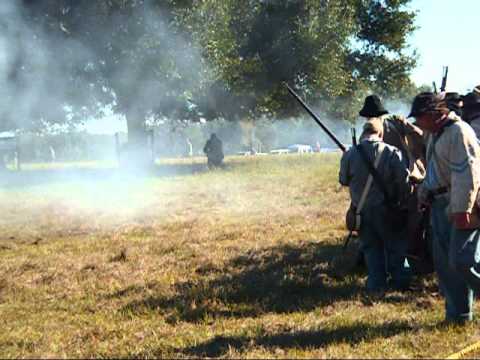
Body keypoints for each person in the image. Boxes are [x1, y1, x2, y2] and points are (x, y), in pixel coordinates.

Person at [411, 92, 480, 323]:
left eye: (420, 117)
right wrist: (424, 193)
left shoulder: (459, 132)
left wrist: (462, 210)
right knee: (445, 266)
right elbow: (433, 170)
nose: (417, 123)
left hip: (459, 205)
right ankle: (459, 315)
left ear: (433, 114)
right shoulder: (437, 134)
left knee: (462, 260)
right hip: (439, 204)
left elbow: (467, 174)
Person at [359, 95, 431, 273]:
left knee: (397, 223)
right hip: (407, 179)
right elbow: (418, 135)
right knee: (410, 220)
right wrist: (416, 158)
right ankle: (411, 257)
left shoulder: (367, 131)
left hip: (384, 185)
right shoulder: (397, 121)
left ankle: (406, 261)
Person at [339, 118, 411, 292]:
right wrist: (401, 201)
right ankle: (400, 284)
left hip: (361, 211)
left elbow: (343, 180)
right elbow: (404, 182)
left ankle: (376, 286)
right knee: (395, 248)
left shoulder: (349, 153)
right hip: (388, 209)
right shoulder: (392, 152)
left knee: (371, 250)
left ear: (364, 132)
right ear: (380, 133)